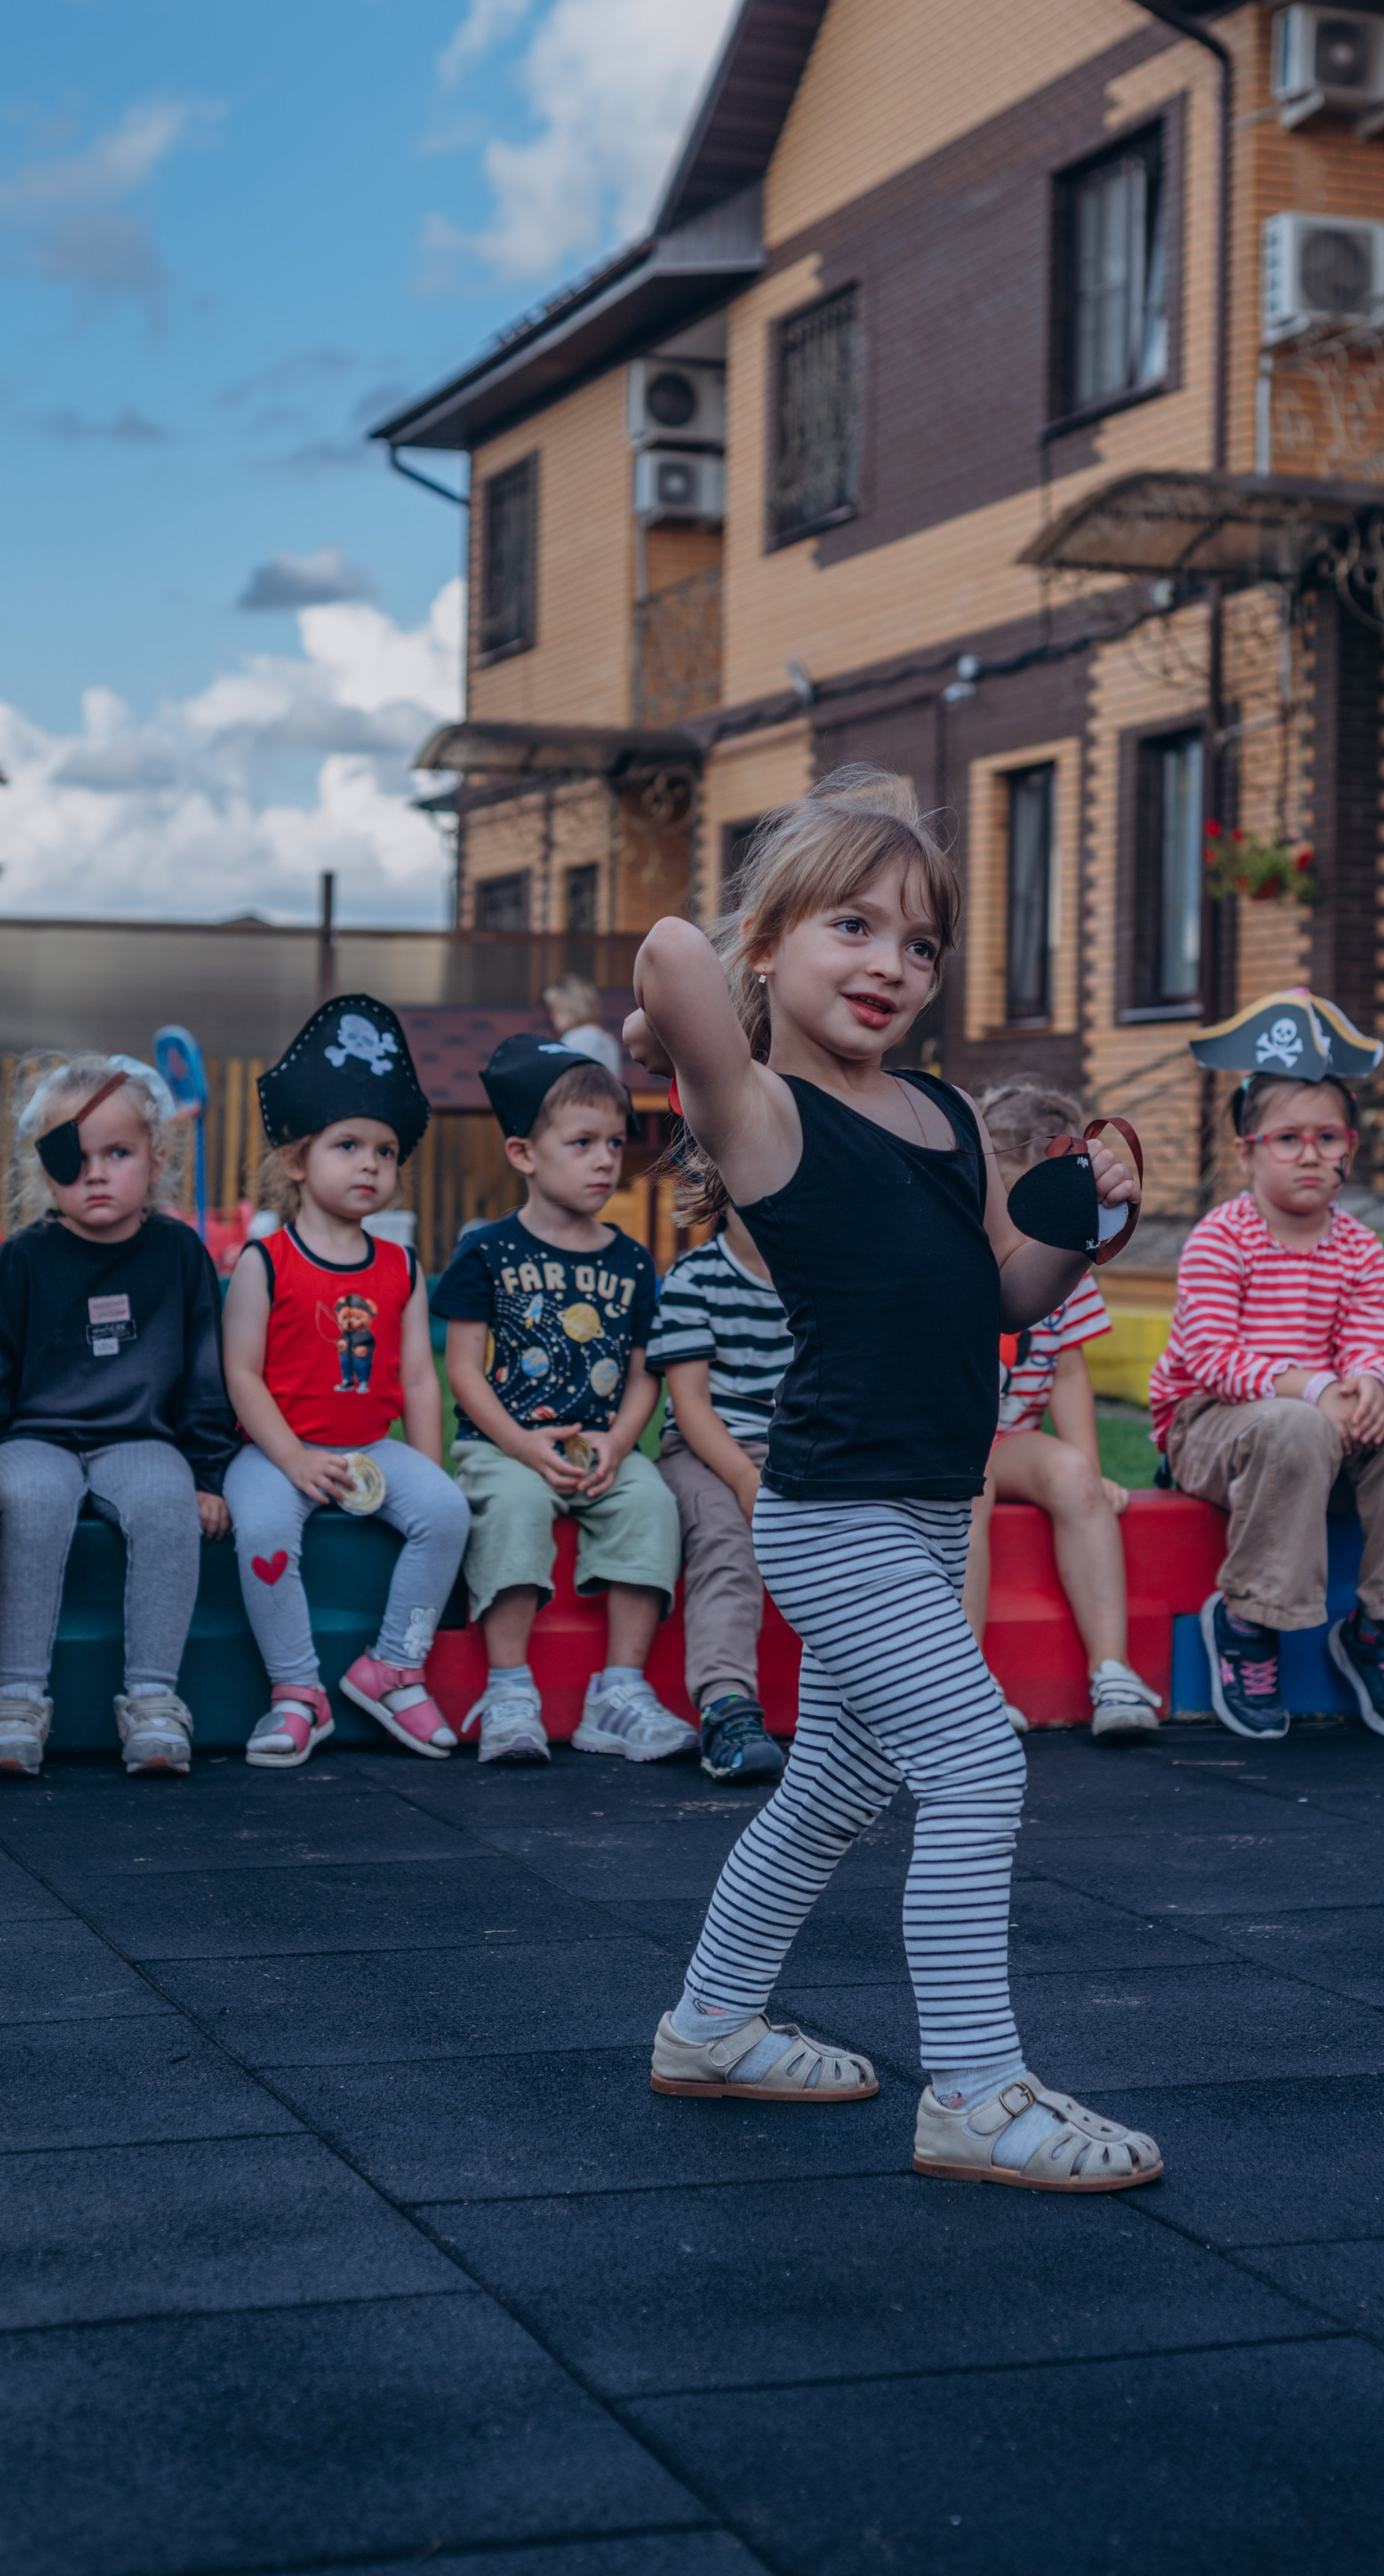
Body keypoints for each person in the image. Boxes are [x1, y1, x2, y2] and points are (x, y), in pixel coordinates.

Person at [628, 764, 1162, 2194]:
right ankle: (977, 2097)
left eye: (920, 945)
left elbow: (1007, 1295)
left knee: (834, 1791)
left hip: (934, 1502)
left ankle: (709, 2024)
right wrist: (678, 1012)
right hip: (834, 1507)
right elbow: (671, 954)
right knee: (980, 1760)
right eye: (851, 930)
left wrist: (1083, 1224)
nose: (891, 966)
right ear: (773, 944)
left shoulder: (942, 1118)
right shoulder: (758, 1113)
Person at [1150, 992, 1384, 1743]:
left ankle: (1381, 1626)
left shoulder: (1356, 1245)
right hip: (1214, 1427)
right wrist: (1319, 1387)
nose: (1312, 1153)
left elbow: (1370, 1339)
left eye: (1328, 1136)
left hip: (1322, 1424)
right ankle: (1250, 1618)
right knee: (1293, 1425)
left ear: (1351, 1146)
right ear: (1247, 1150)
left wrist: (1374, 1386)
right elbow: (1215, 1360)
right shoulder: (1221, 1239)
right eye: (1288, 1138)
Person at [0, 1053, 236, 1779]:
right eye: (74, 1156)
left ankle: (153, 1699)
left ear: (157, 1159)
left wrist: (207, 1473)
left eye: (118, 1153)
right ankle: (16, 1698)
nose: (96, 1172)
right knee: (32, 1500)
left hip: (141, 1438)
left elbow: (206, 1370)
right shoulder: (20, 1261)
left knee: (165, 1501)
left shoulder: (179, 1254)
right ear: (46, 1170)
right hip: (33, 1438)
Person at [221, 997, 470, 1768]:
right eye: (349, 1145)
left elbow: (420, 1379)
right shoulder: (265, 1262)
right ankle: (299, 1691)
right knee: (264, 1533)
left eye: (387, 1151)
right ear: (297, 1160)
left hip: (369, 1445)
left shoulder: (400, 1265)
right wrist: (292, 1458)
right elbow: (241, 1372)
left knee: (448, 1511)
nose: (371, 1163)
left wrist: (427, 1465)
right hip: (275, 1450)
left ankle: (392, 1664)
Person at [431, 1033, 689, 1768]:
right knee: (513, 1507)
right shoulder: (488, 1250)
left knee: (652, 1504)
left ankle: (620, 1692)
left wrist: (620, 1442)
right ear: (523, 1153)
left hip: (599, 1449)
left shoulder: (633, 1259)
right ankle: (510, 1689)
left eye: (615, 1141)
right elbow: (464, 1372)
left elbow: (647, 1370)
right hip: (505, 1447)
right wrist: (520, 1445)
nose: (607, 1159)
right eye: (582, 1142)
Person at [963, 1082, 1161, 1743]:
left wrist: (1092, 1464)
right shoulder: (964, 1253)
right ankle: (967, 1681)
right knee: (972, 1490)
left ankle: (1112, 1667)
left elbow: (1069, 1365)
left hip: (1012, 1435)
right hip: (956, 1440)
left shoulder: (1066, 1266)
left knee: (1075, 1477)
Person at [644, 1204, 792, 1784]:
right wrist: (743, 1477)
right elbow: (691, 1405)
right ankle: (726, 1706)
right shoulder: (693, 1277)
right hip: (706, 1451)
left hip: (798, 1452)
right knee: (726, 1539)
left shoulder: (826, 1276)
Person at [543, 974, 625, 1080]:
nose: (551, 1017)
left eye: (554, 1009)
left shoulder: (576, 1039)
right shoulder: (606, 1038)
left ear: (569, 1008)